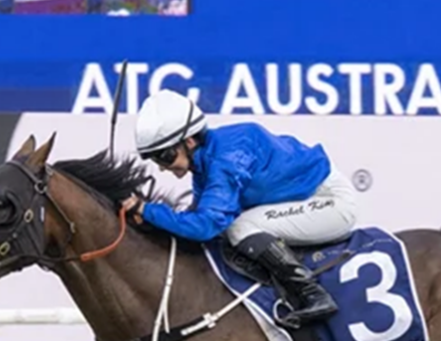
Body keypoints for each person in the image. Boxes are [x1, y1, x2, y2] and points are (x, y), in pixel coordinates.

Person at [123, 89, 359, 328]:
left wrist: (147, 210)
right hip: (303, 200)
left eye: (165, 156)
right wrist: (151, 221)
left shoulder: (227, 158)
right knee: (231, 230)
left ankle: (311, 293)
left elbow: (206, 226)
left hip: (330, 201)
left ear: (190, 141)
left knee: (241, 227)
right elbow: (198, 220)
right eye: (156, 160)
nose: (163, 168)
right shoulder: (205, 162)